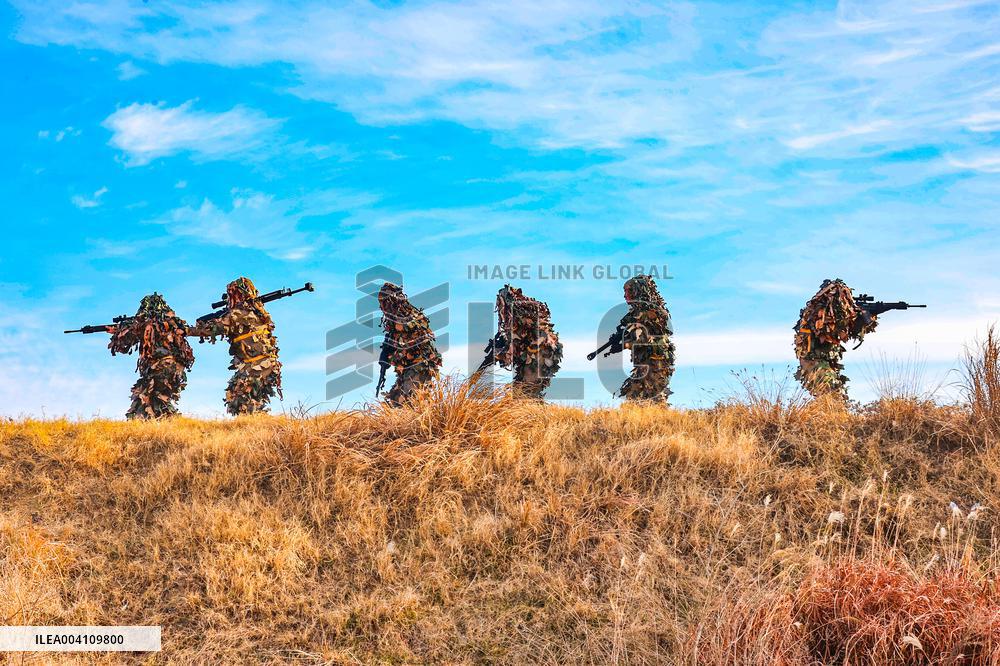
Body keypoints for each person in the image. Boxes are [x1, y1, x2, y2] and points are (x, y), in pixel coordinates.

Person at [188, 276, 282, 415]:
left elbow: (215, 328)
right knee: (237, 397)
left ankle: (255, 431)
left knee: (245, 401)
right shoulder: (257, 312)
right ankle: (254, 428)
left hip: (257, 366)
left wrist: (186, 331)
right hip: (259, 364)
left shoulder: (239, 313)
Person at [107, 293, 195, 419]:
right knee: (157, 400)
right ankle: (166, 425)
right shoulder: (174, 323)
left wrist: (117, 332)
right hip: (176, 368)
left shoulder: (145, 324)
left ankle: (145, 425)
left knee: (145, 397)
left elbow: (124, 343)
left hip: (161, 366)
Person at [794, 278, 876, 399]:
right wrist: (859, 316)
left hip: (823, 362)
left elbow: (850, 333)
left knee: (833, 396)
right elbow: (832, 329)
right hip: (813, 362)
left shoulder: (821, 312)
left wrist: (866, 318)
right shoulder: (819, 313)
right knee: (832, 394)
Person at [492, 284, 562, 398]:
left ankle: (532, 413)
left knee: (526, 394)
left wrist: (500, 355)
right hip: (541, 357)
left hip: (538, 359)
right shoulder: (528, 313)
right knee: (525, 392)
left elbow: (515, 347)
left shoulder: (521, 316)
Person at [377, 282, 442, 405]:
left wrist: (390, 356)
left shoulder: (408, 316)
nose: (384, 306)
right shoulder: (395, 320)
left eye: (386, 301)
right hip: (408, 367)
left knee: (411, 401)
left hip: (420, 364)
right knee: (396, 401)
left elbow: (411, 342)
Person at [617, 275, 675, 402]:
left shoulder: (652, 311)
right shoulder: (634, 315)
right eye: (624, 291)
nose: (625, 295)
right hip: (642, 364)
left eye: (629, 291)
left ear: (639, 290)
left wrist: (626, 344)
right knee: (635, 399)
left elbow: (652, 338)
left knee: (654, 398)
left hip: (656, 363)